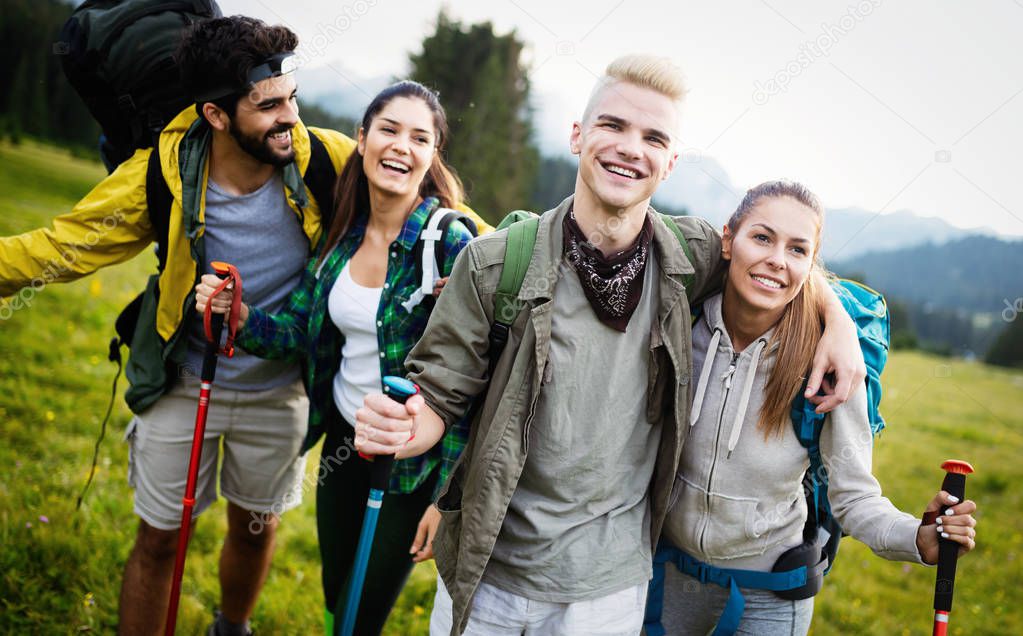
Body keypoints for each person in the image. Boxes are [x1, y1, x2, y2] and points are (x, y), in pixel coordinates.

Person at [0, 16, 489, 636]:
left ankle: (232, 627)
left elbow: (430, 195)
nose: (289, 117)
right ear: (217, 115)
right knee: (158, 539)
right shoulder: (163, 173)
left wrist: (481, 263)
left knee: (256, 529)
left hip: (282, 392)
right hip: (186, 379)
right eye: (268, 106)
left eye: (292, 98)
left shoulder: (322, 155)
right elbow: (58, 246)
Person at [353, 55, 867, 636]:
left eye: (653, 137)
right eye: (612, 126)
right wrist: (405, 425)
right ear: (578, 134)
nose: (630, 147)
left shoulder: (689, 254)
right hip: (488, 571)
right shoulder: (495, 263)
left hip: (611, 588)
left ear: (670, 163)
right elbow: (439, 399)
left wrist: (837, 321)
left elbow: (777, 263)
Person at [195, 80, 480, 635]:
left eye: (419, 137)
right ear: (363, 138)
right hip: (343, 448)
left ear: (431, 156)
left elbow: (476, 379)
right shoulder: (343, 234)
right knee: (334, 597)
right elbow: (300, 331)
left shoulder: (450, 242)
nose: (401, 145)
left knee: (361, 614)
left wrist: (447, 499)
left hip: (410, 464)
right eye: (389, 130)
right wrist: (238, 315)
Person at [649, 180, 979, 635]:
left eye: (798, 249)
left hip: (772, 595)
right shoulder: (678, 325)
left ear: (810, 264)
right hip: (669, 579)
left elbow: (856, 497)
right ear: (729, 239)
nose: (777, 260)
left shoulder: (831, 367)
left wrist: (918, 539)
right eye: (762, 238)